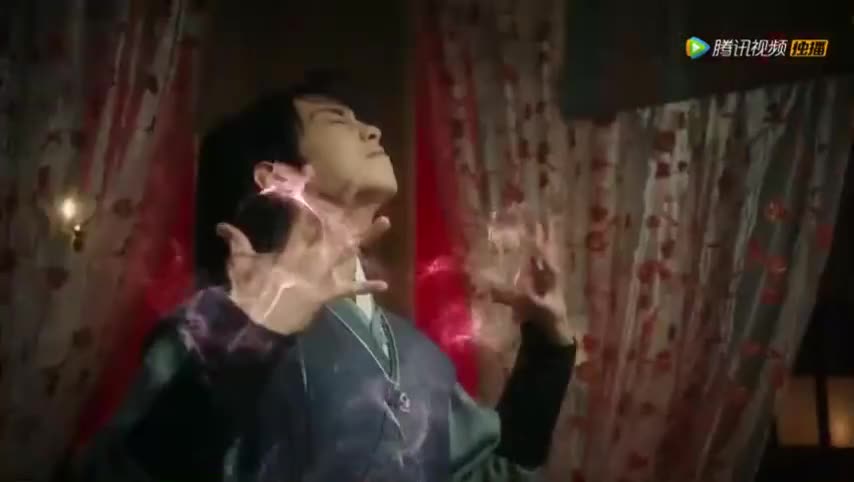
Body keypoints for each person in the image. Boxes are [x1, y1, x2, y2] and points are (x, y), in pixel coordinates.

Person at [71, 72, 577, 482]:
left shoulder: (414, 353)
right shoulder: (218, 324)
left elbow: (495, 473)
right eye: (337, 119)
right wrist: (254, 336)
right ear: (276, 176)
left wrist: (548, 349)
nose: (373, 132)